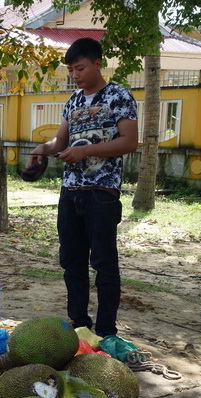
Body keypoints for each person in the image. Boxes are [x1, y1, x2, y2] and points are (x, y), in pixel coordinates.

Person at [25, 38, 138, 337]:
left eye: (80, 68)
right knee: (72, 263)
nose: (75, 75)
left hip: (102, 195)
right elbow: (60, 142)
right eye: (71, 70)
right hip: (71, 193)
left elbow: (129, 141)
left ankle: (105, 332)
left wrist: (86, 151)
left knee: (104, 266)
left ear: (98, 63)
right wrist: (42, 149)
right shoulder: (73, 101)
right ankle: (79, 326)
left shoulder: (118, 96)